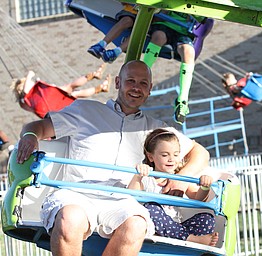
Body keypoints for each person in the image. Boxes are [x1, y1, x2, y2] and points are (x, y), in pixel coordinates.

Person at [16, 60, 210, 256]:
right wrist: (31, 138)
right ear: (117, 82)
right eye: (130, 81)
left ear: (150, 89)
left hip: (122, 200)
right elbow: (37, 127)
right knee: (70, 219)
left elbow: (200, 152)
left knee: (136, 225)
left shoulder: (155, 130)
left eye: (143, 83)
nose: (136, 88)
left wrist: (181, 180)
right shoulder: (85, 110)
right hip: (78, 193)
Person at [128, 128, 227, 246]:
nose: (171, 159)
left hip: (177, 228)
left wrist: (205, 187)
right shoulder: (147, 176)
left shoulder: (179, 178)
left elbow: (198, 198)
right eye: (165, 155)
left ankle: (189, 240)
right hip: (154, 228)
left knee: (207, 218)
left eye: (175, 155)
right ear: (150, 157)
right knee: (151, 208)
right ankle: (190, 239)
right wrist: (137, 176)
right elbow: (131, 196)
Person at [143, 11, 207, 125]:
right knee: (158, 37)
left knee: (188, 52)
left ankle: (182, 100)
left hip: (183, 30)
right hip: (165, 24)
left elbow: (203, 19)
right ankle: (141, 73)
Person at [11, 64, 111, 118]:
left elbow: (32, 109)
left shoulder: (22, 103)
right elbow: (26, 90)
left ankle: (100, 86)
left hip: (50, 112)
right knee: (70, 88)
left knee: (74, 94)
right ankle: (95, 77)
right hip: (50, 101)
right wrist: (30, 74)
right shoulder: (28, 93)